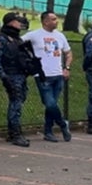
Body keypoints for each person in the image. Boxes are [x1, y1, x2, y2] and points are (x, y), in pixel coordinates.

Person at [23, 11, 73, 142]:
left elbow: (68, 53)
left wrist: (67, 68)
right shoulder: (34, 35)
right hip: (43, 75)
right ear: (45, 21)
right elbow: (19, 45)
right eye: (54, 19)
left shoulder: (60, 36)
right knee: (50, 104)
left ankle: (48, 131)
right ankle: (63, 124)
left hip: (58, 75)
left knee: (52, 105)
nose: (57, 21)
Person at [0, 12, 35, 147]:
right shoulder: (2, 39)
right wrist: (4, 78)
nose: (19, 22)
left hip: (21, 75)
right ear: (10, 22)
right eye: (17, 20)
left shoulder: (18, 39)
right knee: (15, 104)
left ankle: (13, 132)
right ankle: (15, 134)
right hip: (11, 76)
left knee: (19, 102)